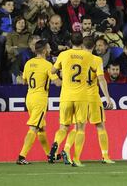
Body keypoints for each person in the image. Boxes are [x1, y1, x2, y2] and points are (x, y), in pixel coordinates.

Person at [48, 32, 111, 167]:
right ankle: (99, 156)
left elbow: (52, 71)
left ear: (70, 42)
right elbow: (100, 77)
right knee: (91, 127)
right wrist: (107, 98)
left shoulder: (64, 55)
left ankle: (58, 146)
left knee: (65, 126)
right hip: (87, 96)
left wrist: (59, 76)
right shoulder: (91, 58)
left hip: (66, 96)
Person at [16, 40, 61, 165]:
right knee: (34, 128)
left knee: (41, 128)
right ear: (45, 50)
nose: (51, 50)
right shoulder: (47, 65)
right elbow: (57, 83)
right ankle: (21, 156)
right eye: (49, 48)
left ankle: (49, 155)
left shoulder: (28, 63)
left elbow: (23, 81)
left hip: (29, 97)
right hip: (40, 99)